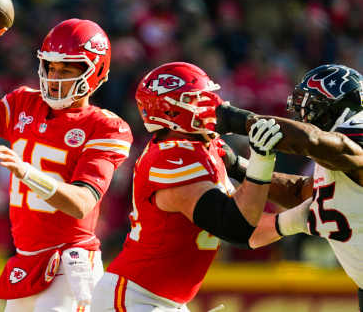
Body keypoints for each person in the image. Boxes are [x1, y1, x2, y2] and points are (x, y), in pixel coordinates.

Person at [0, 18, 133, 311]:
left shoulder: (105, 127)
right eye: (50, 67)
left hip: (69, 264)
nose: (55, 77)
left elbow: (81, 202)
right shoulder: (23, 105)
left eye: (66, 70)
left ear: (97, 73)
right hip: (25, 260)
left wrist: (27, 173)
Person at [90, 62, 283, 312]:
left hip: (162, 300)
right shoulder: (171, 158)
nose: (212, 103)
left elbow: (249, 224)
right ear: (169, 112)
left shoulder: (207, 147)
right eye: (197, 98)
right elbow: (236, 226)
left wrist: (302, 219)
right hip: (136, 298)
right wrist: (262, 159)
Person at [217, 64, 363, 311]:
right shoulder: (335, 164)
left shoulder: (347, 142)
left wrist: (240, 121)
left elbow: (311, 140)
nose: (302, 114)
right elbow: (301, 192)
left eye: (312, 105)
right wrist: (236, 167)